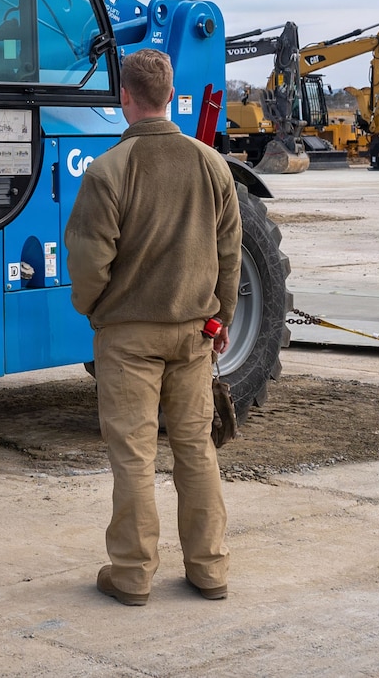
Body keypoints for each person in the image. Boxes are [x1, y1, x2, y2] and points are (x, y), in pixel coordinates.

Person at [64, 48, 240, 606]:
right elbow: (230, 252)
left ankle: (133, 574)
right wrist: (221, 319)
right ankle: (209, 569)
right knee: (196, 450)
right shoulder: (211, 164)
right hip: (194, 335)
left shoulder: (108, 171)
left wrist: (95, 312)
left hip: (127, 338)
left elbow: (89, 263)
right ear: (169, 96)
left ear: (124, 98)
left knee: (135, 457)